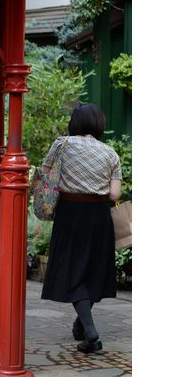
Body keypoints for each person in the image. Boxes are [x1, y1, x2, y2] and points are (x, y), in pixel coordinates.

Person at [40, 103, 122, 354]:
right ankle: (82, 324)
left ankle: (91, 332)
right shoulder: (110, 153)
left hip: (70, 213)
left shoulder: (62, 145)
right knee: (93, 270)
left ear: (74, 122)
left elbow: (46, 175)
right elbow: (114, 194)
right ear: (99, 124)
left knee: (72, 268)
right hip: (100, 216)